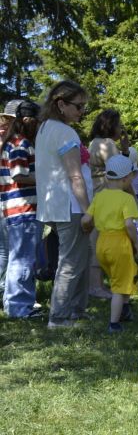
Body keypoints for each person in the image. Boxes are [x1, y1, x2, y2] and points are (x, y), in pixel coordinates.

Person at [35, 80, 93, 329]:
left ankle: (76, 311)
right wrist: (89, 210)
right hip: (69, 206)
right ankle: (58, 317)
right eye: (78, 107)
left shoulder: (44, 128)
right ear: (61, 104)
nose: (82, 112)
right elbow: (75, 175)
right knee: (70, 262)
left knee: (81, 256)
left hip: (54, 206)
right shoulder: (65, 132)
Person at [81, 155, 138, 333]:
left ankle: (126, 308)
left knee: (126, 274)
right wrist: (135, 244)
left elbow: (86, 219)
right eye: (131, 176)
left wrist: (86, 228)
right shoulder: (126, 199)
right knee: (118, 285)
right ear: (125, 178)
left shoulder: (99, 197)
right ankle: (114, 323)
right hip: (119, 243)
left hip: (102, 243)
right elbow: (129, 225)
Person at [1, 100, 43, 318]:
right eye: (36, 121)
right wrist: (45, 179)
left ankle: (12, 304)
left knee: (16, 258)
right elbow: (19, 174)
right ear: (26, 120)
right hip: (24, 209)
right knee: (24, 259)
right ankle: (20, 308)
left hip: (13, 210)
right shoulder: (19, 143)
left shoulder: (10, 142)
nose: (38, 125)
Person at [88, 109, 129, 299]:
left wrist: (125, 150)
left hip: (94, 194)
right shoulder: (108, 144)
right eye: (119, 125)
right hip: (106, 196)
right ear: (111, 125)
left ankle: (96, 284)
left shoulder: (93, 143)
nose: (121, 129)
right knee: (100, 240)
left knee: (96, 240)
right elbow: (119, 171)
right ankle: (96, 287)